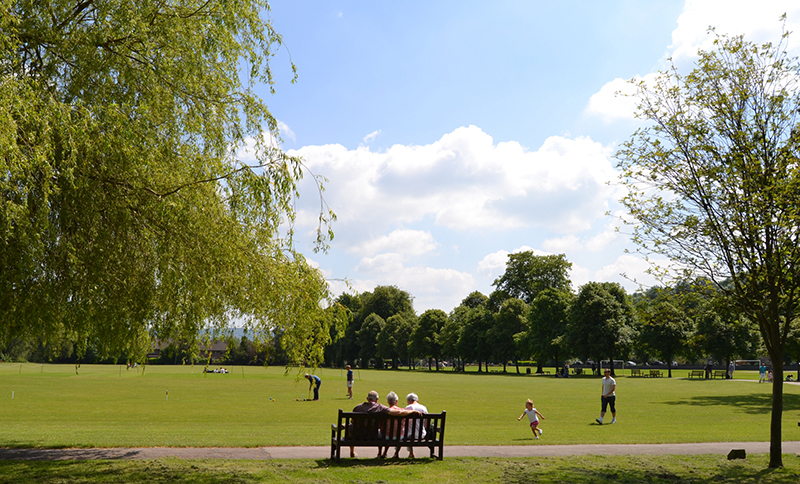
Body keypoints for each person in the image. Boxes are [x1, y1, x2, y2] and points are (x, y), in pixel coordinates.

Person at [350, 390, 420, 458]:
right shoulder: (379, 407)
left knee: (350, 427)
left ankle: (352, 452)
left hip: (357, 435)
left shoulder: (358, 407)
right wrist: (413, 411)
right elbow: (398, 412)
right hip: (372, 435)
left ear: (367, 398)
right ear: (377, 399)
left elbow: (352, 421)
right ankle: (391, 453)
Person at [402, 392, 428, 458]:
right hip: (422, 434)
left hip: (410, 435)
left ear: (408, 401)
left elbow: (404, 422)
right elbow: (426, 424)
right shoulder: (424, 408)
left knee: (404, 431)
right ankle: (411, 453)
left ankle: (399, 453)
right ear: (417, 400)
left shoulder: (408, 407)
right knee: (409, 430)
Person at [379, 391, 404, 458]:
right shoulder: (402, 411)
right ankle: (396, 453)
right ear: (396, 401)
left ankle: (381, 453)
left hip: (386, 436)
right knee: (401, 431)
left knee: (383, 431)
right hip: (399, 437)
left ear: (388, 402)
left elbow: (380, 424)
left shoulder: (385, 412)